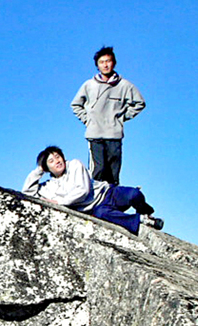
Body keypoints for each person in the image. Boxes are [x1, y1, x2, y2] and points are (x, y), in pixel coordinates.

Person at [22, 145, 163, 235]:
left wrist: (60, 202)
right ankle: (142, 221)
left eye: (58, 157)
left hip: (108, 193)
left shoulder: (75, 165)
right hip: (96, 208)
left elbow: (82, 190)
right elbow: (27, 193)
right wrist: (39, 170)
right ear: (47, 168)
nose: (57, 161)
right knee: (103, 215)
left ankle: (146, 213)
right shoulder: (48, 187)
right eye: (51, 161)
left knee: (134, 194)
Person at [70, 46, 145, 185]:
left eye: (108, 61)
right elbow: (75, 105)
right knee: (98, 170)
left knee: (113, 171)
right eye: (102, 62)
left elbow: (139, 103)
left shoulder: (124, 85)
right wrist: (87, 120)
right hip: (95, 134)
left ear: (114, 63)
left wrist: (121, 117)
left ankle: (113, 201)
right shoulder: (89, 85)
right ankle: (95, 201)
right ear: (97, 65)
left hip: (114, 134)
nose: (105, 65)